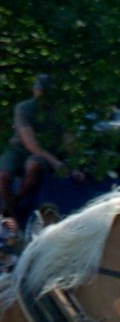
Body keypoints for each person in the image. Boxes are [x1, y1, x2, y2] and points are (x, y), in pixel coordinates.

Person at [0, 75, 71, 225]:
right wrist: (56, 163)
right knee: (3, 175)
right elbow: (30, 143)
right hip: (20, 148)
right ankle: (13, 218)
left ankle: (11, 204)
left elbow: (68, 139)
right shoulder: (24, 108)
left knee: (34, 167)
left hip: (47, 150)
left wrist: (73, 164)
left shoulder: (61, 111)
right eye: (38, 89)